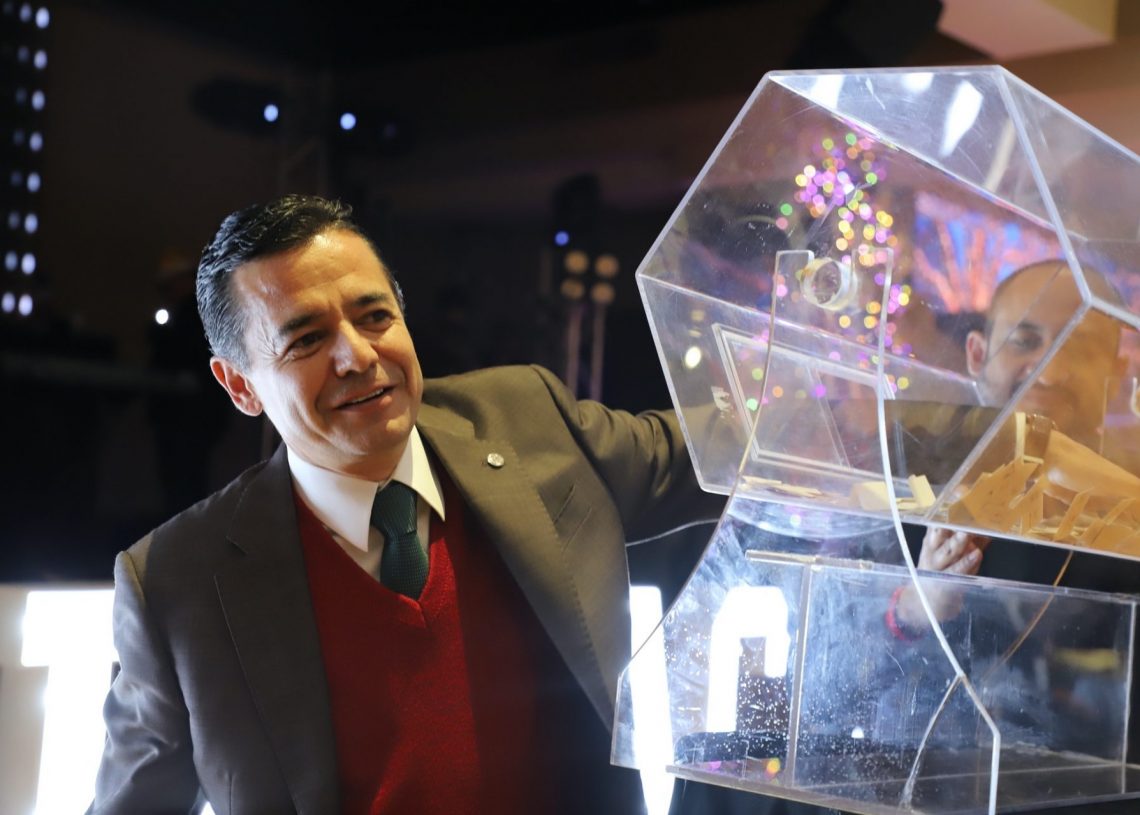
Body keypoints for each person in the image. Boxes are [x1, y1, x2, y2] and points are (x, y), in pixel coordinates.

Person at [90, 194, 725, 814]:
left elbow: (720, 452)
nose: (358, 356)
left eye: (375, 317)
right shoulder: (179, 582)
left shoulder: (527, 422)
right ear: (239, 385)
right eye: (307, 339)